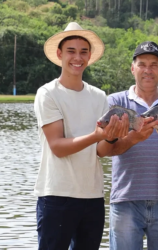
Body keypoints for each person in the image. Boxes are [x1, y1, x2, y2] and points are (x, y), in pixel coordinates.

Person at [33, 22, 129, 250]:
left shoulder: (98, 96)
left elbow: (101, 151)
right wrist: (98, 135)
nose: (78, 57)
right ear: (59, 54)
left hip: (92, 196)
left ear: (89, 56)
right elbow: (57, 146)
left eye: (83, 51)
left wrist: (112, 137)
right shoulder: (48, 93)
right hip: (56, 195)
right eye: (71, 51)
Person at [97, 41, 158, 250]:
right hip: (125, 200)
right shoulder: (115, 102)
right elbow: (105, 150)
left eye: (153, 64)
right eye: (142, 64)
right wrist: (133, 138)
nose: (147, 70)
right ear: (132, 68)